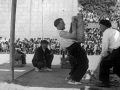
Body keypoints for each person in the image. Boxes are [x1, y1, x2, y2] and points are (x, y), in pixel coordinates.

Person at [54, 13, 89, 85]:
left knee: (77, 64)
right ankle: (74, 80)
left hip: (73, 48)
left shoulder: (60, 33)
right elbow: (73, 35)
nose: (64, 24)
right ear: (58, 25)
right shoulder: (61, 33)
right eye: (63, 23)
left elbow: (70, 34)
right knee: (84, 64)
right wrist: (73, 24)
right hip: (74, 48)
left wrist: (72, 25)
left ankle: (70, 77)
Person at [96, 19, 120, 87]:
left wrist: (103, 56)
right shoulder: (115, 31)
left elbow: (105, 45)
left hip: (118, 50)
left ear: (104, 26)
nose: (100, 27)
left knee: (104, 63)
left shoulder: (106, 32)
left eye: (100, 26)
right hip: (117, 50)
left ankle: (104, 82)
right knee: (117, 68)